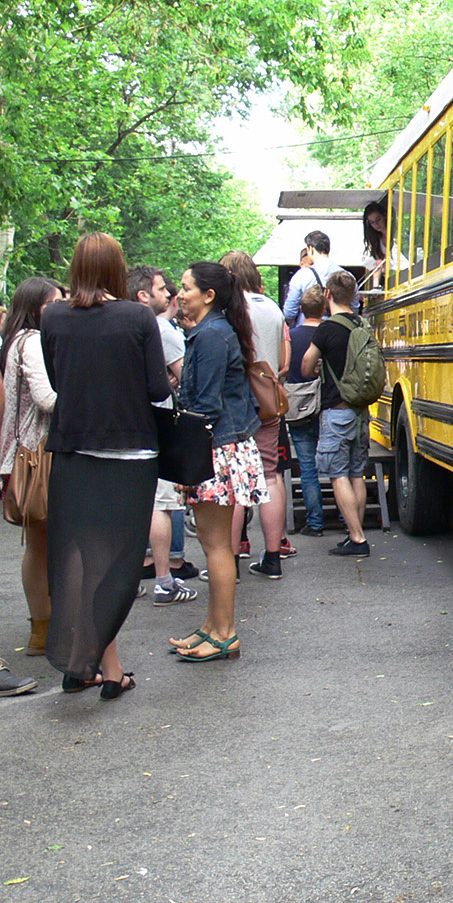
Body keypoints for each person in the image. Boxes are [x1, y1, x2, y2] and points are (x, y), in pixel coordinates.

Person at [39, 233, 172, 697]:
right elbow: (158, 390)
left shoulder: (52, 316)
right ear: (118, 269)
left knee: (78, 559)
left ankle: (82, 665)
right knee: (115, 565)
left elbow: (59, 382)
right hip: (129, 454)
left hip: (74, 452)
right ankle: (107, 670)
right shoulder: (137, 317)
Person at [168, 261, 267, 663]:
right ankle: (211, 627)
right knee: (214, 546)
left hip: (216, 452)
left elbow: (203, 406)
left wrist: (186, 464)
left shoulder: (210, 335)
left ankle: (224, 633)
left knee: (216, 548)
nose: (180, 293)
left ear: (208, 295)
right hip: (223, 448)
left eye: (186, 287)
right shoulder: (215, 331)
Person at [0, 277, 62, 695]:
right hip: (41, 453)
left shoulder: (12, 340)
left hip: (19, 455)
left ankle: (41, 629)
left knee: (35, 541)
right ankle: (51, 629)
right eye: (57, 302)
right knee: (48, 541)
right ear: (40, 306)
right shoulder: (35, 341)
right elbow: (46, 398)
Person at [128, 266, 200, 607]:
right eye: (162, 289)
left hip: (127, 423)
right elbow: (183, 375)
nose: (170, 294)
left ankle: (128, 580)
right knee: (161, 502)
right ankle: (163, 580)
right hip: (156, 421)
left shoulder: (121, 324)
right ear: (144, 295)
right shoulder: (156, 328)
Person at [221, 250, 294, 579]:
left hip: (236, 403)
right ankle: (273, 556)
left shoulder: (229, 310)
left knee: (236, 483)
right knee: (270, 476)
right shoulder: (274, 310)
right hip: (268, 402)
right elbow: (280, 362)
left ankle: (230, 561)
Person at [301, 270, 371, 556]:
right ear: (353, 296)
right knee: (357, 475)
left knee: (337, 473)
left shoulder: (326, 329)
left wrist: (318, 365)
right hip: (360, 412)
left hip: (337, 411)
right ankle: (357, 532)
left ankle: (357, 538)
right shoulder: (363, 325)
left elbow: (306, 367)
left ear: (328, 295)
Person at [284, 284, 327, 536]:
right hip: (326, 405)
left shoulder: (291, 335)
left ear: (300, 309)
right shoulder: (331, 333)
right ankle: (346, 519)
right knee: (336, 467)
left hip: (298, 408)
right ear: (324, 308)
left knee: (308, 467)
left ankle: (315, 522)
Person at [282, 230, 333, 327]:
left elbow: (289, 312)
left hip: (306, 329)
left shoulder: (302, 275)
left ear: (310, 249)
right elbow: (353, 308)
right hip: (333, 330)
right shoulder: (345, 275)